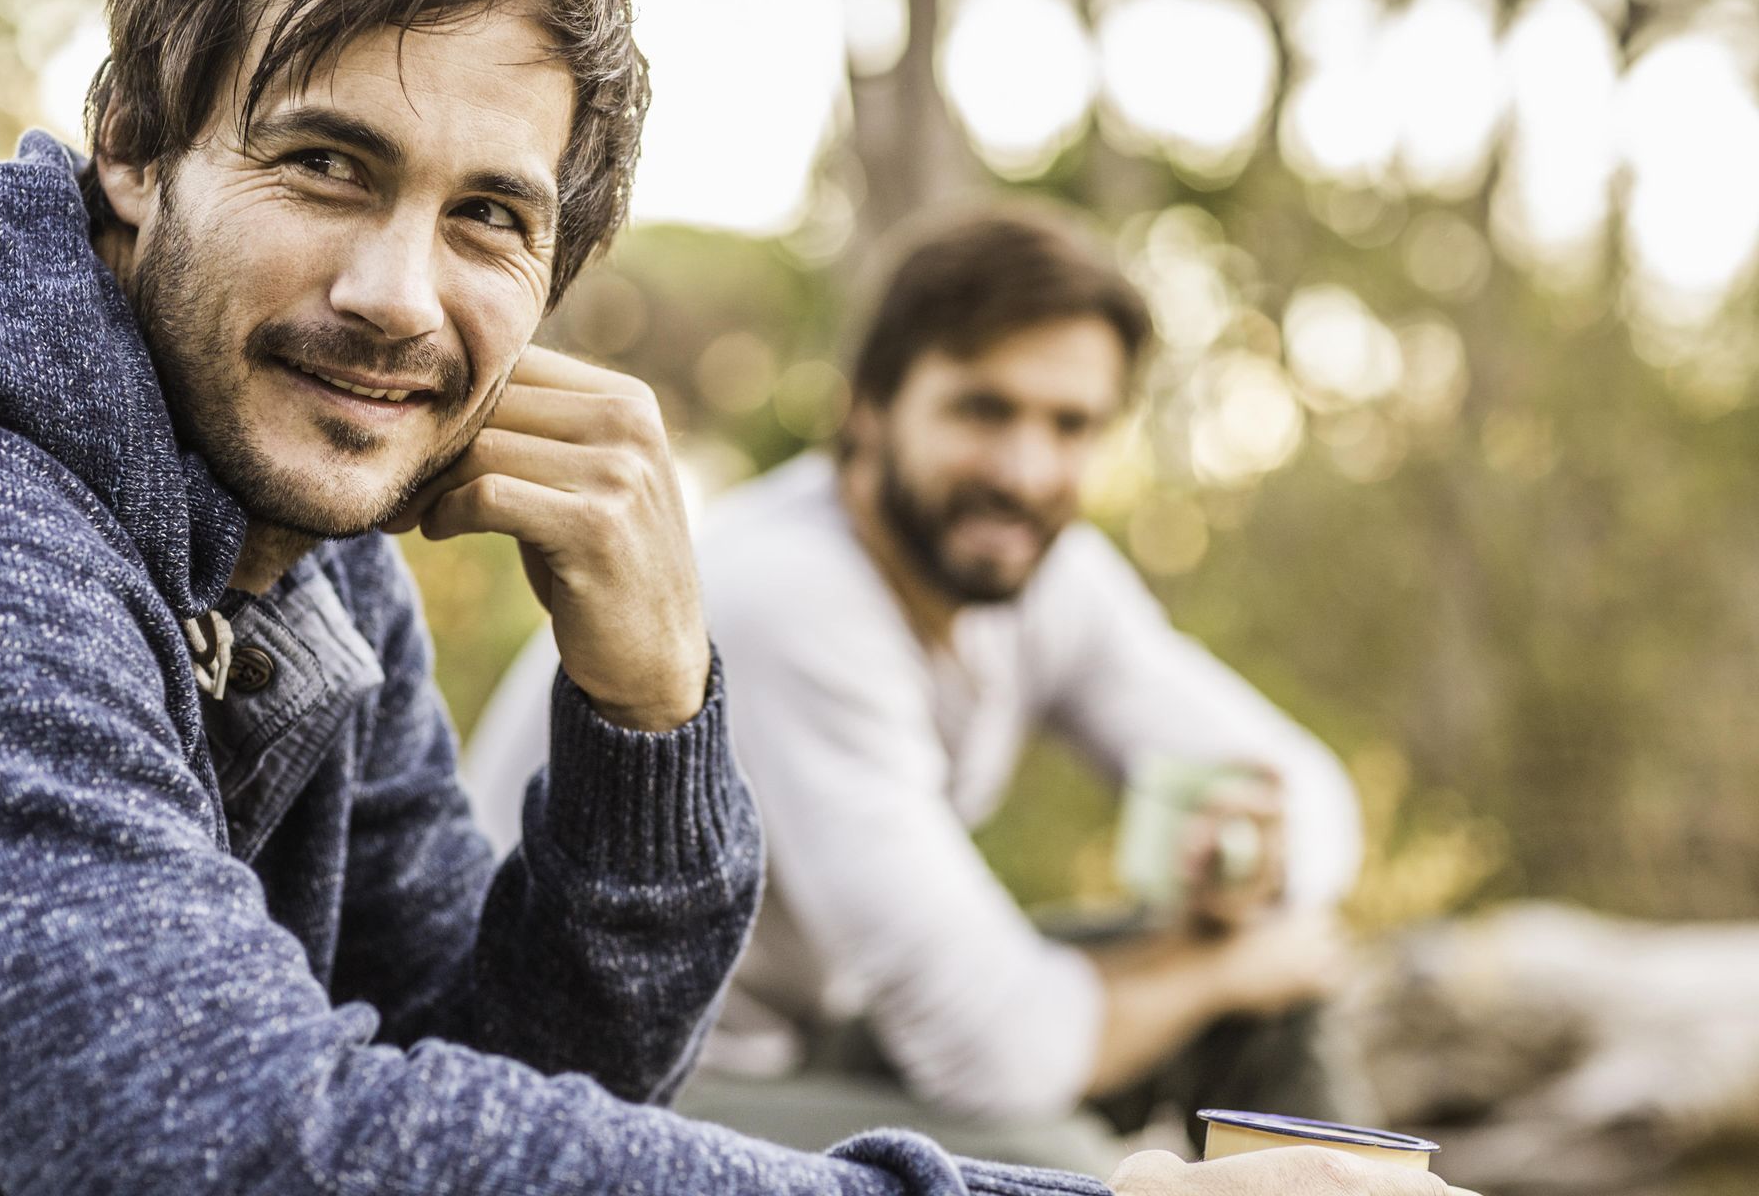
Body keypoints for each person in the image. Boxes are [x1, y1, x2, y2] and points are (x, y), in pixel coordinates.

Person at [0, 0, 1472, 1188]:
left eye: (491, 216)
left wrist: (646, 723)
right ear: (134, 144)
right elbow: (242, 1148)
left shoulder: (312, 560)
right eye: (326, 163)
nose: (400, 294)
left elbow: (525, 1087)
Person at [465, 206, 1371, 1174]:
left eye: (1070, 425)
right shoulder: (790, 597)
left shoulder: (1049, 577)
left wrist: (1250, 868)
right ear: (869, 408)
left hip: (807, 1040)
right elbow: (993, 1054)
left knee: (1270, 996)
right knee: (1054, 1161)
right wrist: (1215, 966)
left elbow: (1308, 792)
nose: (1025, 471)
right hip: (607, 1085)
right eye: (983, 409)